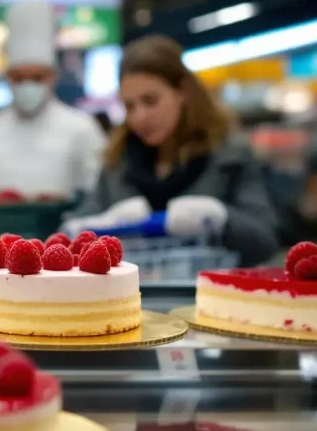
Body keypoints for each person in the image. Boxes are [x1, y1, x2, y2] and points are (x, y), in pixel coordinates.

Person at [65, 36, 278, 266]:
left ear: (182, 91)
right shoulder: (116, 161)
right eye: (129, 106)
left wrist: (222, 218)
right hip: (127, 287)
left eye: (150, 101)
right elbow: (70, 231)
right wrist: (98, 225)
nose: (139, 117)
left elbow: (266, 240)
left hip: (210, 286)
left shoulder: (231, 156)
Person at [0, 1, 105, 204]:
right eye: (19, 78)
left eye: (37, 78)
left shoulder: (82, 128)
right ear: (8, 79)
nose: (27, 85)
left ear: (52, 77)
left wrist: (64, 200)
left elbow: (98, 190)